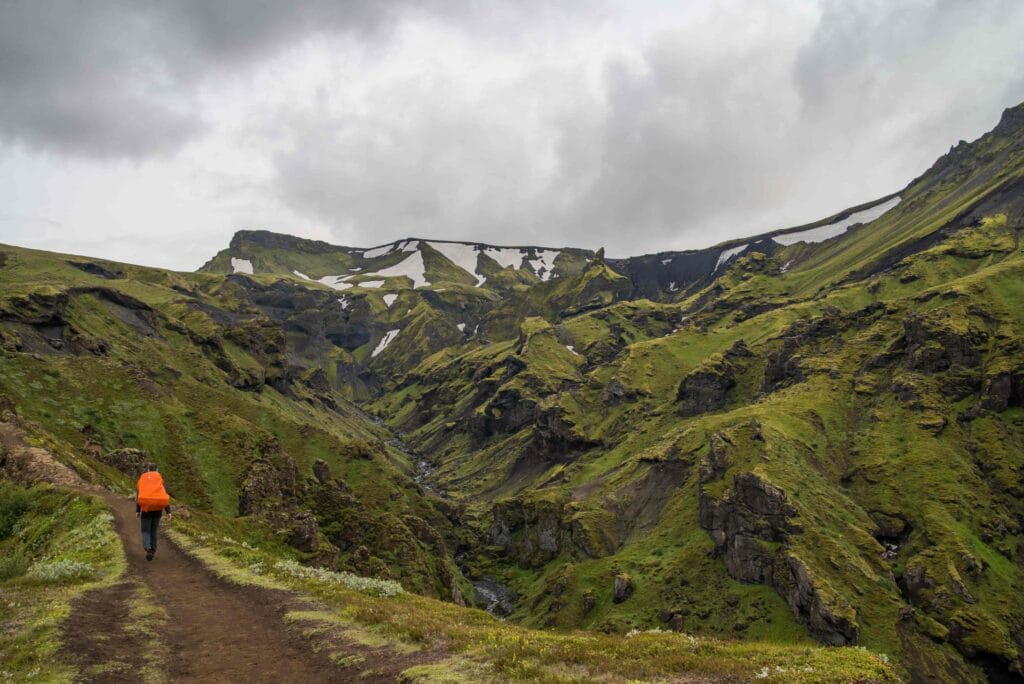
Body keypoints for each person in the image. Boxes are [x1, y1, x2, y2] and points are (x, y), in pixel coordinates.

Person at [136, 463, 172, 561]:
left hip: (146, 509)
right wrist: (168, 511)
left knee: (145, 530)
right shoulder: (159, 480)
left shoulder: (142, 479)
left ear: (148, 470)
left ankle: (148, 548)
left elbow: (139, 495)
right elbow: (163, 495)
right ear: (157, 470)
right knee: (153, 530)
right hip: (157, 509)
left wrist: (138, 510)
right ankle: (153, 550)